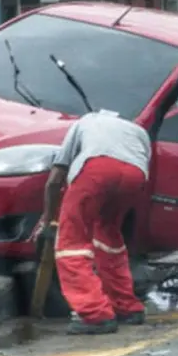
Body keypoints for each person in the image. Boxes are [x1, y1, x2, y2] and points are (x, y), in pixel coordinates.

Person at [31, 110, 152, 335]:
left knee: (71, 243)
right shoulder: (138, 131)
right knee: (109, 237)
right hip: (135, 175)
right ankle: (127, 307)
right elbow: (141, 166)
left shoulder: (85, 122)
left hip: (97, 169)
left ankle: (94, 313)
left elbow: (55, 178)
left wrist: (47, 220)